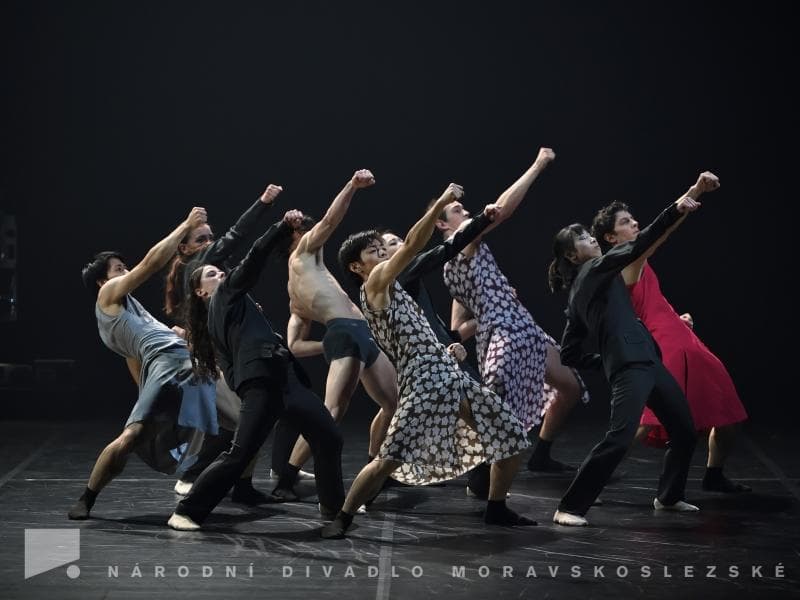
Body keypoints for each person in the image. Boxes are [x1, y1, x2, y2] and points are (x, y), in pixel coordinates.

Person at [323, 183, 533, 539]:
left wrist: (447, 349)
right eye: (374, 252)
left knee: (510, 434)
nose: (383, 255)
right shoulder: (374, 285)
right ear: (358, 266)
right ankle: (343, 517)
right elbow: (411, 245)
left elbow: (417, 328)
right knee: (388, 458)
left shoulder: (398, 288)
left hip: (446, 371)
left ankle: (496, 509)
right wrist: (442, 202)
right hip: (422, 380)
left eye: (381, 249)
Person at [547, 175, 718, 526]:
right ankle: (570, 507)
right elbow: (640, 244)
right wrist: (678, 207)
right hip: (631, 365)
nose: (590, 239)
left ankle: (669, 497)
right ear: (572, 255)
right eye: (583, 238)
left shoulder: (579, 294)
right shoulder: (594, 268)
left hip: (645, 361)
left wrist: (605, 358)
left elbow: (571, 354)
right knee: (620, 436)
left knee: (684, 429)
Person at [167, 210, 345, 531]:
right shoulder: (226, 293)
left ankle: (333, 511)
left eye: (219, 271)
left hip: (282, 378)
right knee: (240, 453)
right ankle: (188, 511)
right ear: (200, 292)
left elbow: (228, 366)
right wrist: (281, 228)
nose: (219, 274)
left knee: (328, 437)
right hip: (263, 380)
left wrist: (244, 380)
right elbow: (255, 257)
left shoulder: (227, 313)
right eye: (211, 274)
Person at [590, 180, 749, 493]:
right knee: (646, 421)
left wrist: (677, 318)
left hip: (682, 339)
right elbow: (662, 228)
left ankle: (714, 475)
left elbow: (648, 303)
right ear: (611, 237)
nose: (634, 223)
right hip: (665, 345)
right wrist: (697, 189)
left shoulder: (636, 260)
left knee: (728, 413)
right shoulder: (627, 259)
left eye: (632, 218)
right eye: (625, 222)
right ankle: (594, 478)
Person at [440, 148, 587, 483]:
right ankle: (479, 471)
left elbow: (459, 329)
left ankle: (541, 455)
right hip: (506, 335)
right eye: (458, 210)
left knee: (570, 387)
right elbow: (502, 211)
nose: (466, 213)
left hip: (522, 328)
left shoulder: (463, 258)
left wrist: (492, 307)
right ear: (442, 224)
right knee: (497, 406)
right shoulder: (460, 245)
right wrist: (538, 164)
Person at [69, 207, 218, 520]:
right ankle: (88, 496)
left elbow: (133, 361)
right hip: (170, 364)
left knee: (237, 417)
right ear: (102, 282)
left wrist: (146, 398)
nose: (124, 273)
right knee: (132, 437)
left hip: (179, 364)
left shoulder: (126, 314)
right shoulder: (108, 295)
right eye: (118, 269)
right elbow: (149, 265)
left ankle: (221, 480)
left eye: (124, 268)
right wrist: (186, 226)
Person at [163, 183, 308, 503]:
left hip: (229, 354)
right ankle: (197, 477)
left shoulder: (212, 272)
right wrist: (264, 203)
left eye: (210, 238)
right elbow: (238, 237)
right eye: (201, 239)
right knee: (243, 423)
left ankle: (255, 480)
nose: (210, 243)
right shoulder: (199, 268)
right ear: (185, 248)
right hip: (222, 360)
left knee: (251, 420)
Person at [275, 170, 398, 497]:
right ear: (293, 238)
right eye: (302, 230)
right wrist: (352, 186)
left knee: (393, 402)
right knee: (332, 412)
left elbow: (296, 345)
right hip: (346, 333)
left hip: (358, 334)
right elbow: (330, 221)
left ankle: (375, 466)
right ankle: (286, 477)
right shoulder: (302, 252)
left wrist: (326, 344)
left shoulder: (295, 291)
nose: (310, 232)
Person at [379, 204, 497, 494]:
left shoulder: (407, 281)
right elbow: (446, 249)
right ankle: (376, 481)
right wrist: (482, 219)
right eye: (391, 244)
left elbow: (442, 330)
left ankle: (481, 485)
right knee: (479, 415)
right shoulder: (398, 277)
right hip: (433, 363)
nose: (402, 246)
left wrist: (483, 318)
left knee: (477, 416)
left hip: (443, 356)